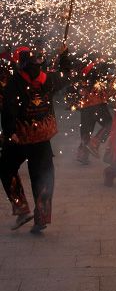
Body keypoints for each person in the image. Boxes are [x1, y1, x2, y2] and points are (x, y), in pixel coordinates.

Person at [0, 44, 71, 233]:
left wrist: (9, 131)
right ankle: (41, 218)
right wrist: (64, 55)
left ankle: (22, 209)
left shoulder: (15, 82)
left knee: (6, 169)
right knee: (44, 176)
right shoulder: (49, 78)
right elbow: (66, 74)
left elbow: (9, 108)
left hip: (20, 137)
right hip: (42, 136)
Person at [75, 57, 114, 165]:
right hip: (96, 103)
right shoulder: (96, 67)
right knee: (110, 124)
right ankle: (94, 143)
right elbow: (102, 85)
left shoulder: (87, 66)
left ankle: (82, 154)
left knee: (87, 129)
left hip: (86, 105)